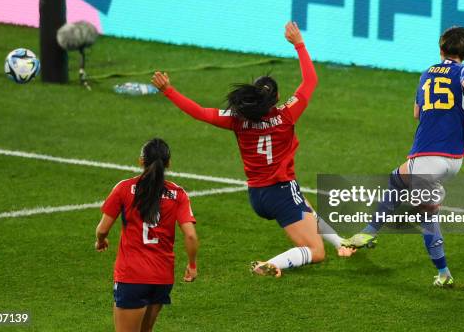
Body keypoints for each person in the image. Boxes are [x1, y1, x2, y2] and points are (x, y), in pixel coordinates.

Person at [151, 22, 353, 278]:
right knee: (315, 250)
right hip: (280, 192)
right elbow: (310, 80)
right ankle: (272, 264)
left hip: (257, 196)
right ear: (276, 99)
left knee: (304, 202)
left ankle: (341, 243)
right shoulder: (286, 115)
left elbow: (200, 113)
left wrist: (168, 90)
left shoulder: (238, 119)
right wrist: (298, 43)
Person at [343, 26, 464, 287]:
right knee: (401, 182)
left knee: (420, 208)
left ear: (440, 48)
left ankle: (371, 232)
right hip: (455, 159)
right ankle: (443, 274)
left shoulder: (427, 74)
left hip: (427, 155)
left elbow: (416, 113)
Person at [95, 138, 198, 331]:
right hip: (162, 278)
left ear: (141, 161)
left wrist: (101, 241)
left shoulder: (124, 188)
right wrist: (192, 265)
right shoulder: (178, 194)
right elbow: (191, 236)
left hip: (132, 276)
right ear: (168, 163)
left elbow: (102, 229)